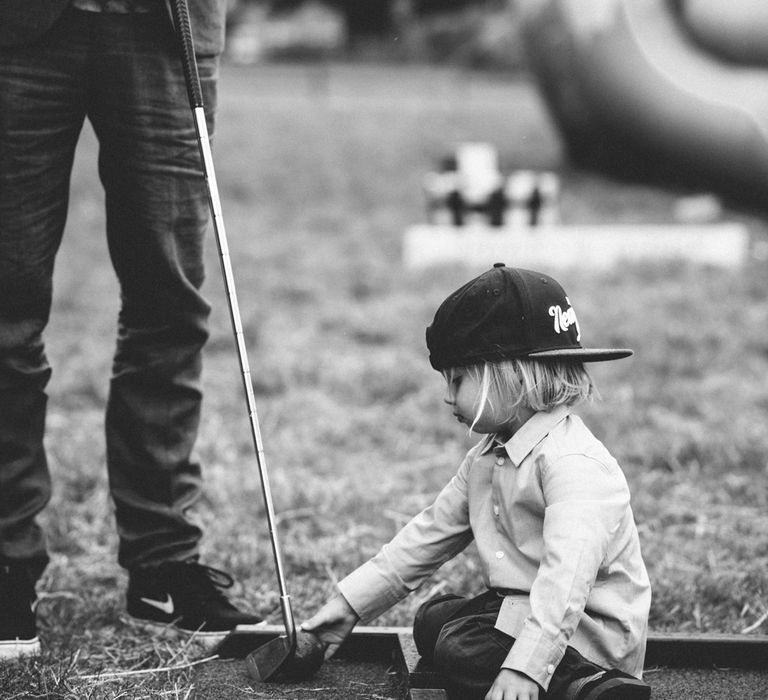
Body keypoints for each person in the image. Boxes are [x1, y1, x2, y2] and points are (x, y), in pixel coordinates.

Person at [0, 0, 262, 661]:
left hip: (166, 30)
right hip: (19, 30)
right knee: (5, 308)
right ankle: (5, 559)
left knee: (168, 305)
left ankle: (164, 562)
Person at [303, 263, 652, 699]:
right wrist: (350, 605)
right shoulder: (488, 456)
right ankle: (531, 669)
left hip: (585, 631)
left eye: (458, 379)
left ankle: (589, 686)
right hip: (525, 605)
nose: (448, 396)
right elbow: (430, 534)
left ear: (509, 374)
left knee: (458, 648)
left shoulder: (574, 464)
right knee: (432, 620)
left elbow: (567, 583)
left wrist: (526, 668)